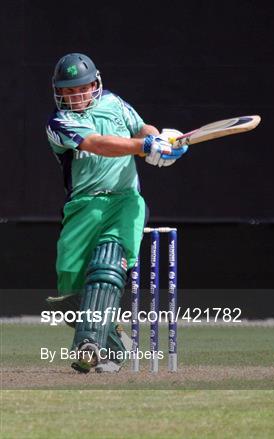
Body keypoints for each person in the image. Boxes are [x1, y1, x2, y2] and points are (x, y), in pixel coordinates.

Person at [45, 53, 188, 373]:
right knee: (71, 294)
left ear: (95, 84)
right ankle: (114, 339)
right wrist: (144, 147)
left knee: (108, 262)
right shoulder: (59, 122)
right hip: (83, 206)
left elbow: (140, 128)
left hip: (125, 200)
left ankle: (92, 347)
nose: (75, 96)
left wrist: (160, 138)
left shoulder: (114, 103)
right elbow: (98, 144)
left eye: (81, 88)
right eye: (67, 91)